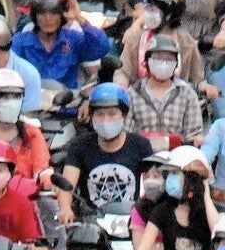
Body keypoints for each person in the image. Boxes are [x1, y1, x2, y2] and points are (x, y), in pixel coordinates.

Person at [60, 83, 157, 215]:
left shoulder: (140, 145)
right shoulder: (80, 145)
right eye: (99, 114)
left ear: (124, 115)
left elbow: (152, 185)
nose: (106, 120)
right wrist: (65, 208)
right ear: (91, 116)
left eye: (112, 114)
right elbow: (67, 185)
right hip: (91, 222)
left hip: (131, 218)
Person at [128, 146, 222, 250]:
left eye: (175, 173)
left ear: (192, 178)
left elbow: (217, 230)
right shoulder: (162, 211)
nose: (170, 179)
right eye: (169, 174)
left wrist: (206, 195)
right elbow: (143, 249)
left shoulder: (213, 211)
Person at [127, 35, 207, 148]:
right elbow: (126, 133)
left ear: (176, 64)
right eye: (158, 58)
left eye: (169, 59)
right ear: (147, 61)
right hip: (141, 153)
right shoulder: (133, 93)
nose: (163, 63)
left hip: (177, 155)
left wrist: (195, 140)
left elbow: (193, 133)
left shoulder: (187, 94)